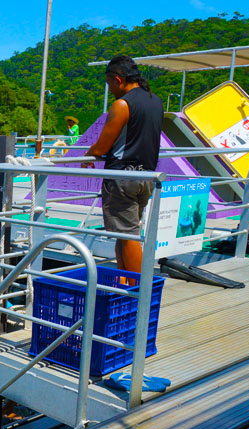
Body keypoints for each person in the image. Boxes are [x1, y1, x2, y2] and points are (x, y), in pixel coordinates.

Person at [83, 55, 163, 277]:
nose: (110, 89)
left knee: (128, 236)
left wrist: (88, 155)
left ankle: (137, 289)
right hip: (146, 175)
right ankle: (124, 282)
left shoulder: (122, 104)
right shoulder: (155, 101)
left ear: (118, 79)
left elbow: (101, 147)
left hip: (122, 177)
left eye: (109, 84)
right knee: (124, 234)